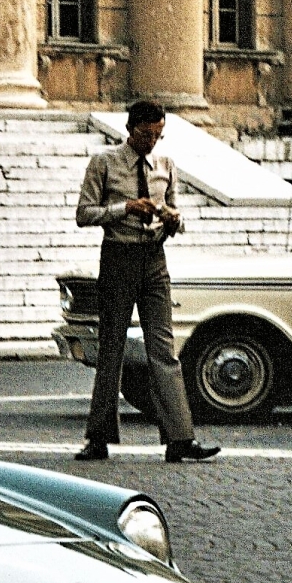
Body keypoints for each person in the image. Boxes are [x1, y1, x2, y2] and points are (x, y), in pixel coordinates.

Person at [75, 102, 221, 463]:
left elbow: (174, 212)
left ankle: (180, 439)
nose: (151, 142)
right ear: (129, 128)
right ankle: (98, 438)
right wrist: (125, 208)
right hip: (118, 258)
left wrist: (173, 220)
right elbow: (84, 213)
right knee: (112, 349)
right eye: (145, 135)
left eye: (157, 135)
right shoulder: (105, 163)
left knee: (164, 350)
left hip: (154, 260)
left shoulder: (166, 166)